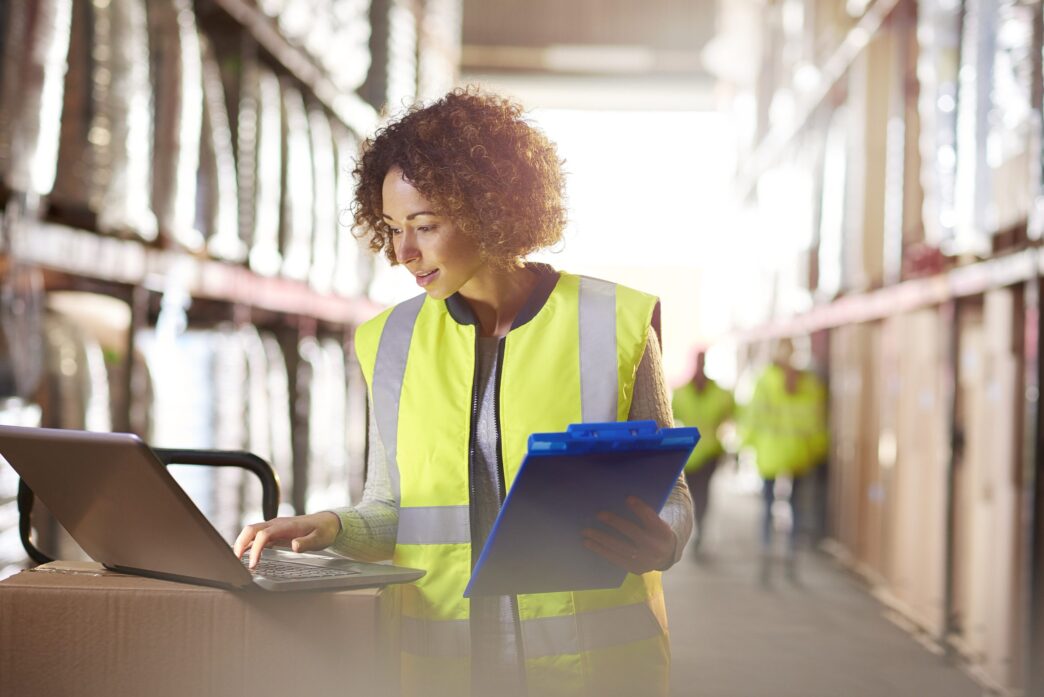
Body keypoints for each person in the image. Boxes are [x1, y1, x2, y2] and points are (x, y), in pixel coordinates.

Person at [233, 88, 693, 697]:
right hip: (442, 671)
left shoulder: (615, 321)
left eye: (425, 226)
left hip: (594, 673)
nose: (403, 253)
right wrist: (331, 527)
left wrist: (665, 541)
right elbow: (392, 511)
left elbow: (673, 496)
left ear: (490, 209)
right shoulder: (389, 341)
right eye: (393, 229)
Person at [738, 337, 828, 584]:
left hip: (769, 453)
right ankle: (790, 554)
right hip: (799, 452)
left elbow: (752, 416)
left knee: (768, 505)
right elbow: (817, 420)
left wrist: (744, 444)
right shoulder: (809, 384)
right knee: (795, 506)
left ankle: (766, 549)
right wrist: (818, 450)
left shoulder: (764, 381)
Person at [671, 348, 734, 553]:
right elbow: (668, 418)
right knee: (689, 493)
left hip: (709, 453)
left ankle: (700, 528)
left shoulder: (720, 393)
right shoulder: (680, 392)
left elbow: (731, 415)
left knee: (703, 493)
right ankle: (692, 530)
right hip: (688, 454)